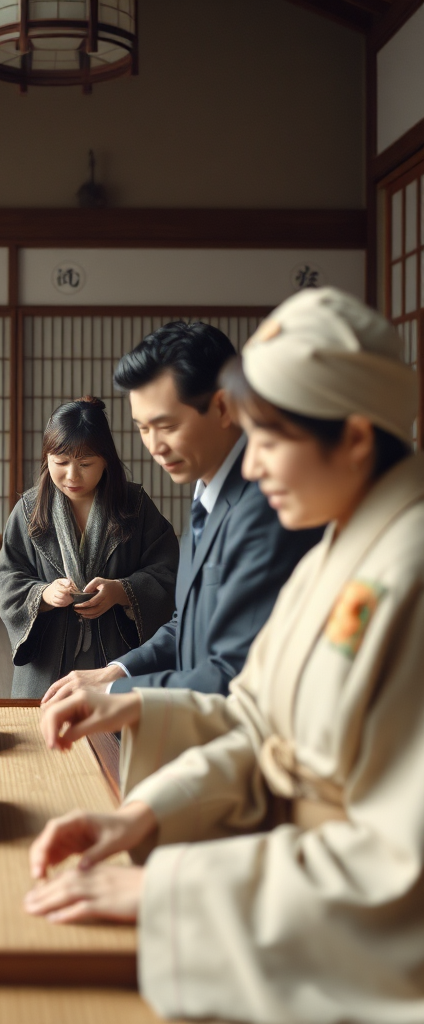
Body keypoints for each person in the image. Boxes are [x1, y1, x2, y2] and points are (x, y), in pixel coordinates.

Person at [27, 288, 424, 1024]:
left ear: (358, 439)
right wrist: (142, 815)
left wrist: (173, 890)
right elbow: (257, 717)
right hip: (286, 876)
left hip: (324, 917)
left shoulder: (406, 570)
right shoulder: (341, 541)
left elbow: (398, 868)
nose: (255, 467)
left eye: (270, 441)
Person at [42, 321, 320, 702]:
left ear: (222, 406)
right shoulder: (207, 492)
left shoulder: (267, 507)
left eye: (166, 425)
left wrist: (111, 689)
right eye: (142, 428)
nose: (155, 446)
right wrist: (116, 670)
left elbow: (235, 673)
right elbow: (186, 625)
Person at [0, 397, 178, 698]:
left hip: (115, 653)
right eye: (61, 462)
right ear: (47, 459)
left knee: (115, 737)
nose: (72, 475)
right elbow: (8, 577)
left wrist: (122, 591)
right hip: (48, 657)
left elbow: (167, 570)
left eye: (85, 463)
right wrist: (43, 595)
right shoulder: (29, 509)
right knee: (46, 738)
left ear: (106, 459)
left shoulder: (135, 506)